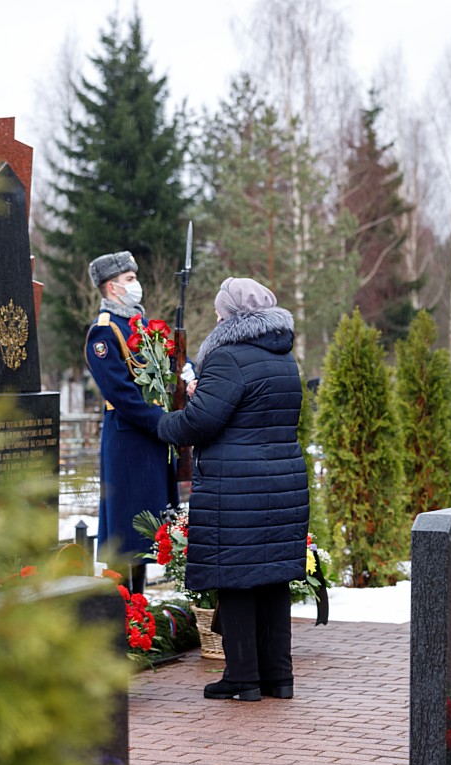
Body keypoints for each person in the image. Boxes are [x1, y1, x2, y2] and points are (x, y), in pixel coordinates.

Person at [157, 277, 309, 702]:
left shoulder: (227, 358)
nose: (216, 316)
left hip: (237, 488)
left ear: (234, 315)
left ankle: (242, 677)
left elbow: (200, 422)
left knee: (237, 579)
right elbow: (252, 412)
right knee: (273, 580)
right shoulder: (283, 357)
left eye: (220, 309)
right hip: (282, 485)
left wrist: (160, 423)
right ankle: (278, 677)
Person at [85, 251, 179, 592]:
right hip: (128, 442)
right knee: (127, 533)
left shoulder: (137, 324)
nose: (136, 285)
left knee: (147, 534)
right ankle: (124, 609)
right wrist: (160, 420)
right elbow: (122, 394)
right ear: (112, 288)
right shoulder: (104, 332)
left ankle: (137, 608)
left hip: (149, 439)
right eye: (129, 279)